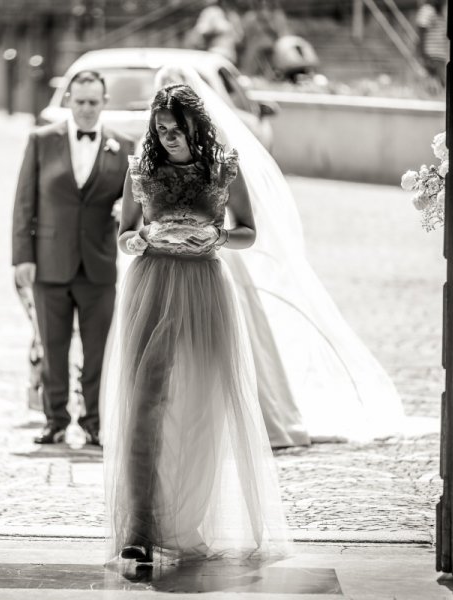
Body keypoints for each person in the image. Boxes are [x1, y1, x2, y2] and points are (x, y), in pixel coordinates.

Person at [149, 64, 407, 446]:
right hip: (159, 265)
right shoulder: (150, 158)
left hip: (213, 262)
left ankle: (245, 419)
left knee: (226, 340)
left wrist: (212, 236)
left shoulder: (221, 159)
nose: (170, 132)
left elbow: (244, 223)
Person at [103, 83, 292, 564]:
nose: (167, 136)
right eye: (160, 128)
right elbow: (126, 233)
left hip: (204, 288)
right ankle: (139, 526)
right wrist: (138, 241)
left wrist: (216, 235)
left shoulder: (223, 169)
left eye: (175, 128)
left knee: (199, 407)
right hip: (152, 287)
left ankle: (186, 524)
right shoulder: (141, 170)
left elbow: (248, 233)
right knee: (145, 402)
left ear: (195, 126)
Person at [12, 71, 134, 447]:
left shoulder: (124, 145)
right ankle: (55, 419)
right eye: (79, 101)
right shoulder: (41, 141)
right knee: (53, 346)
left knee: (98, 350)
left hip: (98, 263)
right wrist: (22, 257)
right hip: (49, 260)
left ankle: (95, 422)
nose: (85, 109)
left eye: (93, 102)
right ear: (68, 100)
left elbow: (138, 202)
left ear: (104, 102)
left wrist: (125, 208)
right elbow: (24, 202)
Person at [415, 0, 449, 88]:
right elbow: (421, 31)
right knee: (435, 82)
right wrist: (422, 54)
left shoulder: (440, 11)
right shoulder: (427, 9)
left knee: (440, 83)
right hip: (431, 54)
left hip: (440, 54)